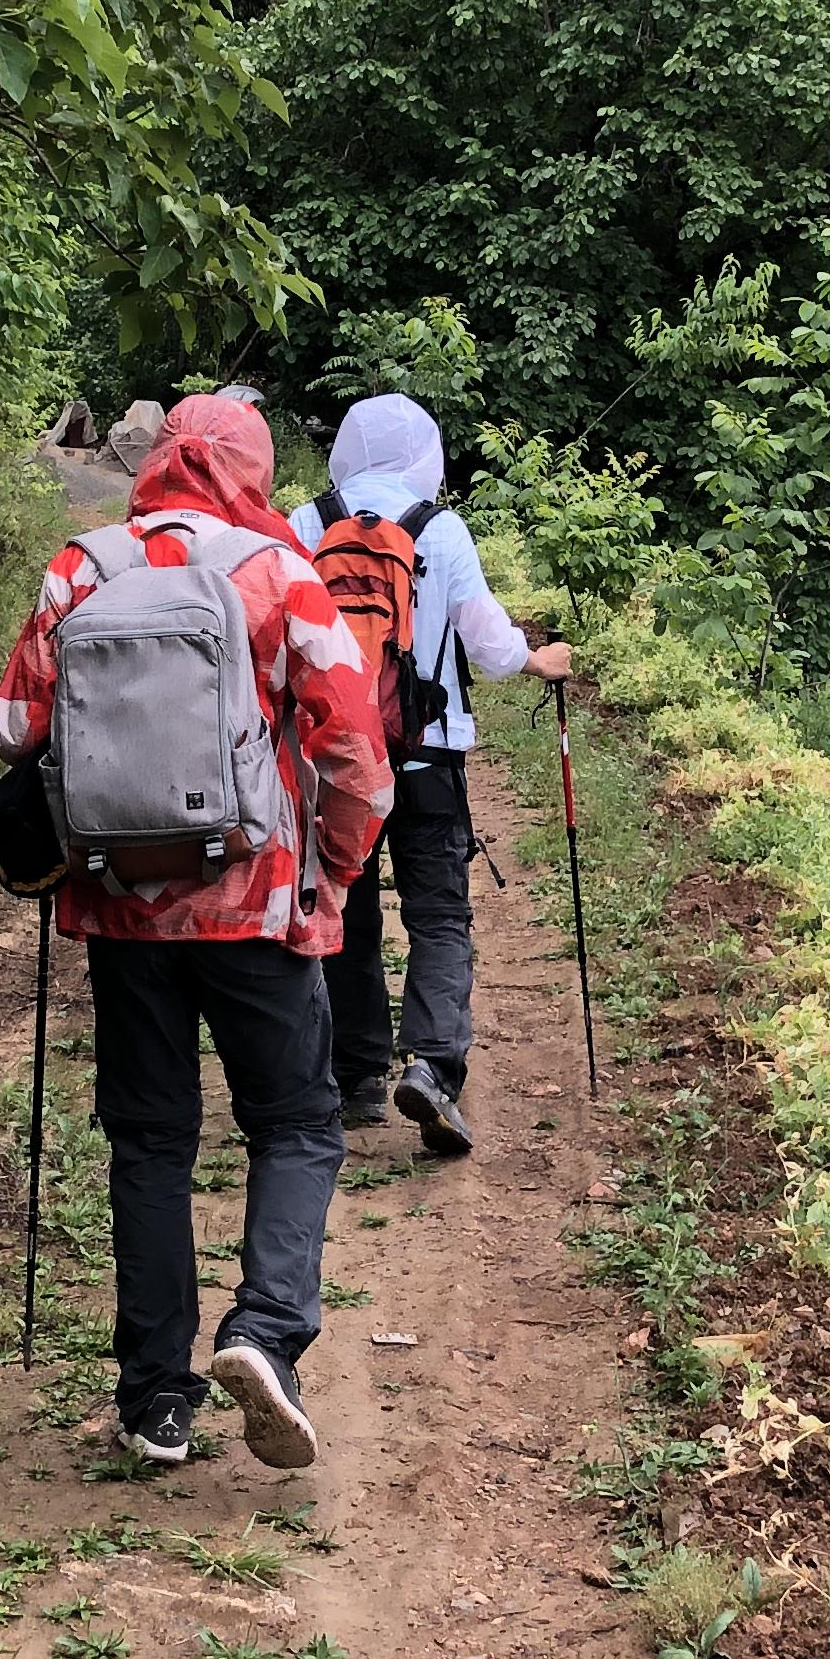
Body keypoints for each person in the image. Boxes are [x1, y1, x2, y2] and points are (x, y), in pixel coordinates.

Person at [0, 395, 391, 1474]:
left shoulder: (83, 570)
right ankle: (264, 1331)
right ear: (253, 476)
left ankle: (155, 1401)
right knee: (297, 1124)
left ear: (157, 465)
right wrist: (337, 877)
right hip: (256, 904)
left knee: (153, 1143)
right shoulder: (276, 574)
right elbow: (353, 746)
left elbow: (17, 727)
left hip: (122, 907)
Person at [292, 391, 571, 1161]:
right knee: (440, 915)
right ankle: (433, 1065)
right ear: (427, 455)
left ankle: (353, 1080)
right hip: (429, 757)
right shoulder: (440, 529)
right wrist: (535, 658)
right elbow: (484, 639)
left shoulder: (305, 524)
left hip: (335, 761)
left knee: (345, 914)